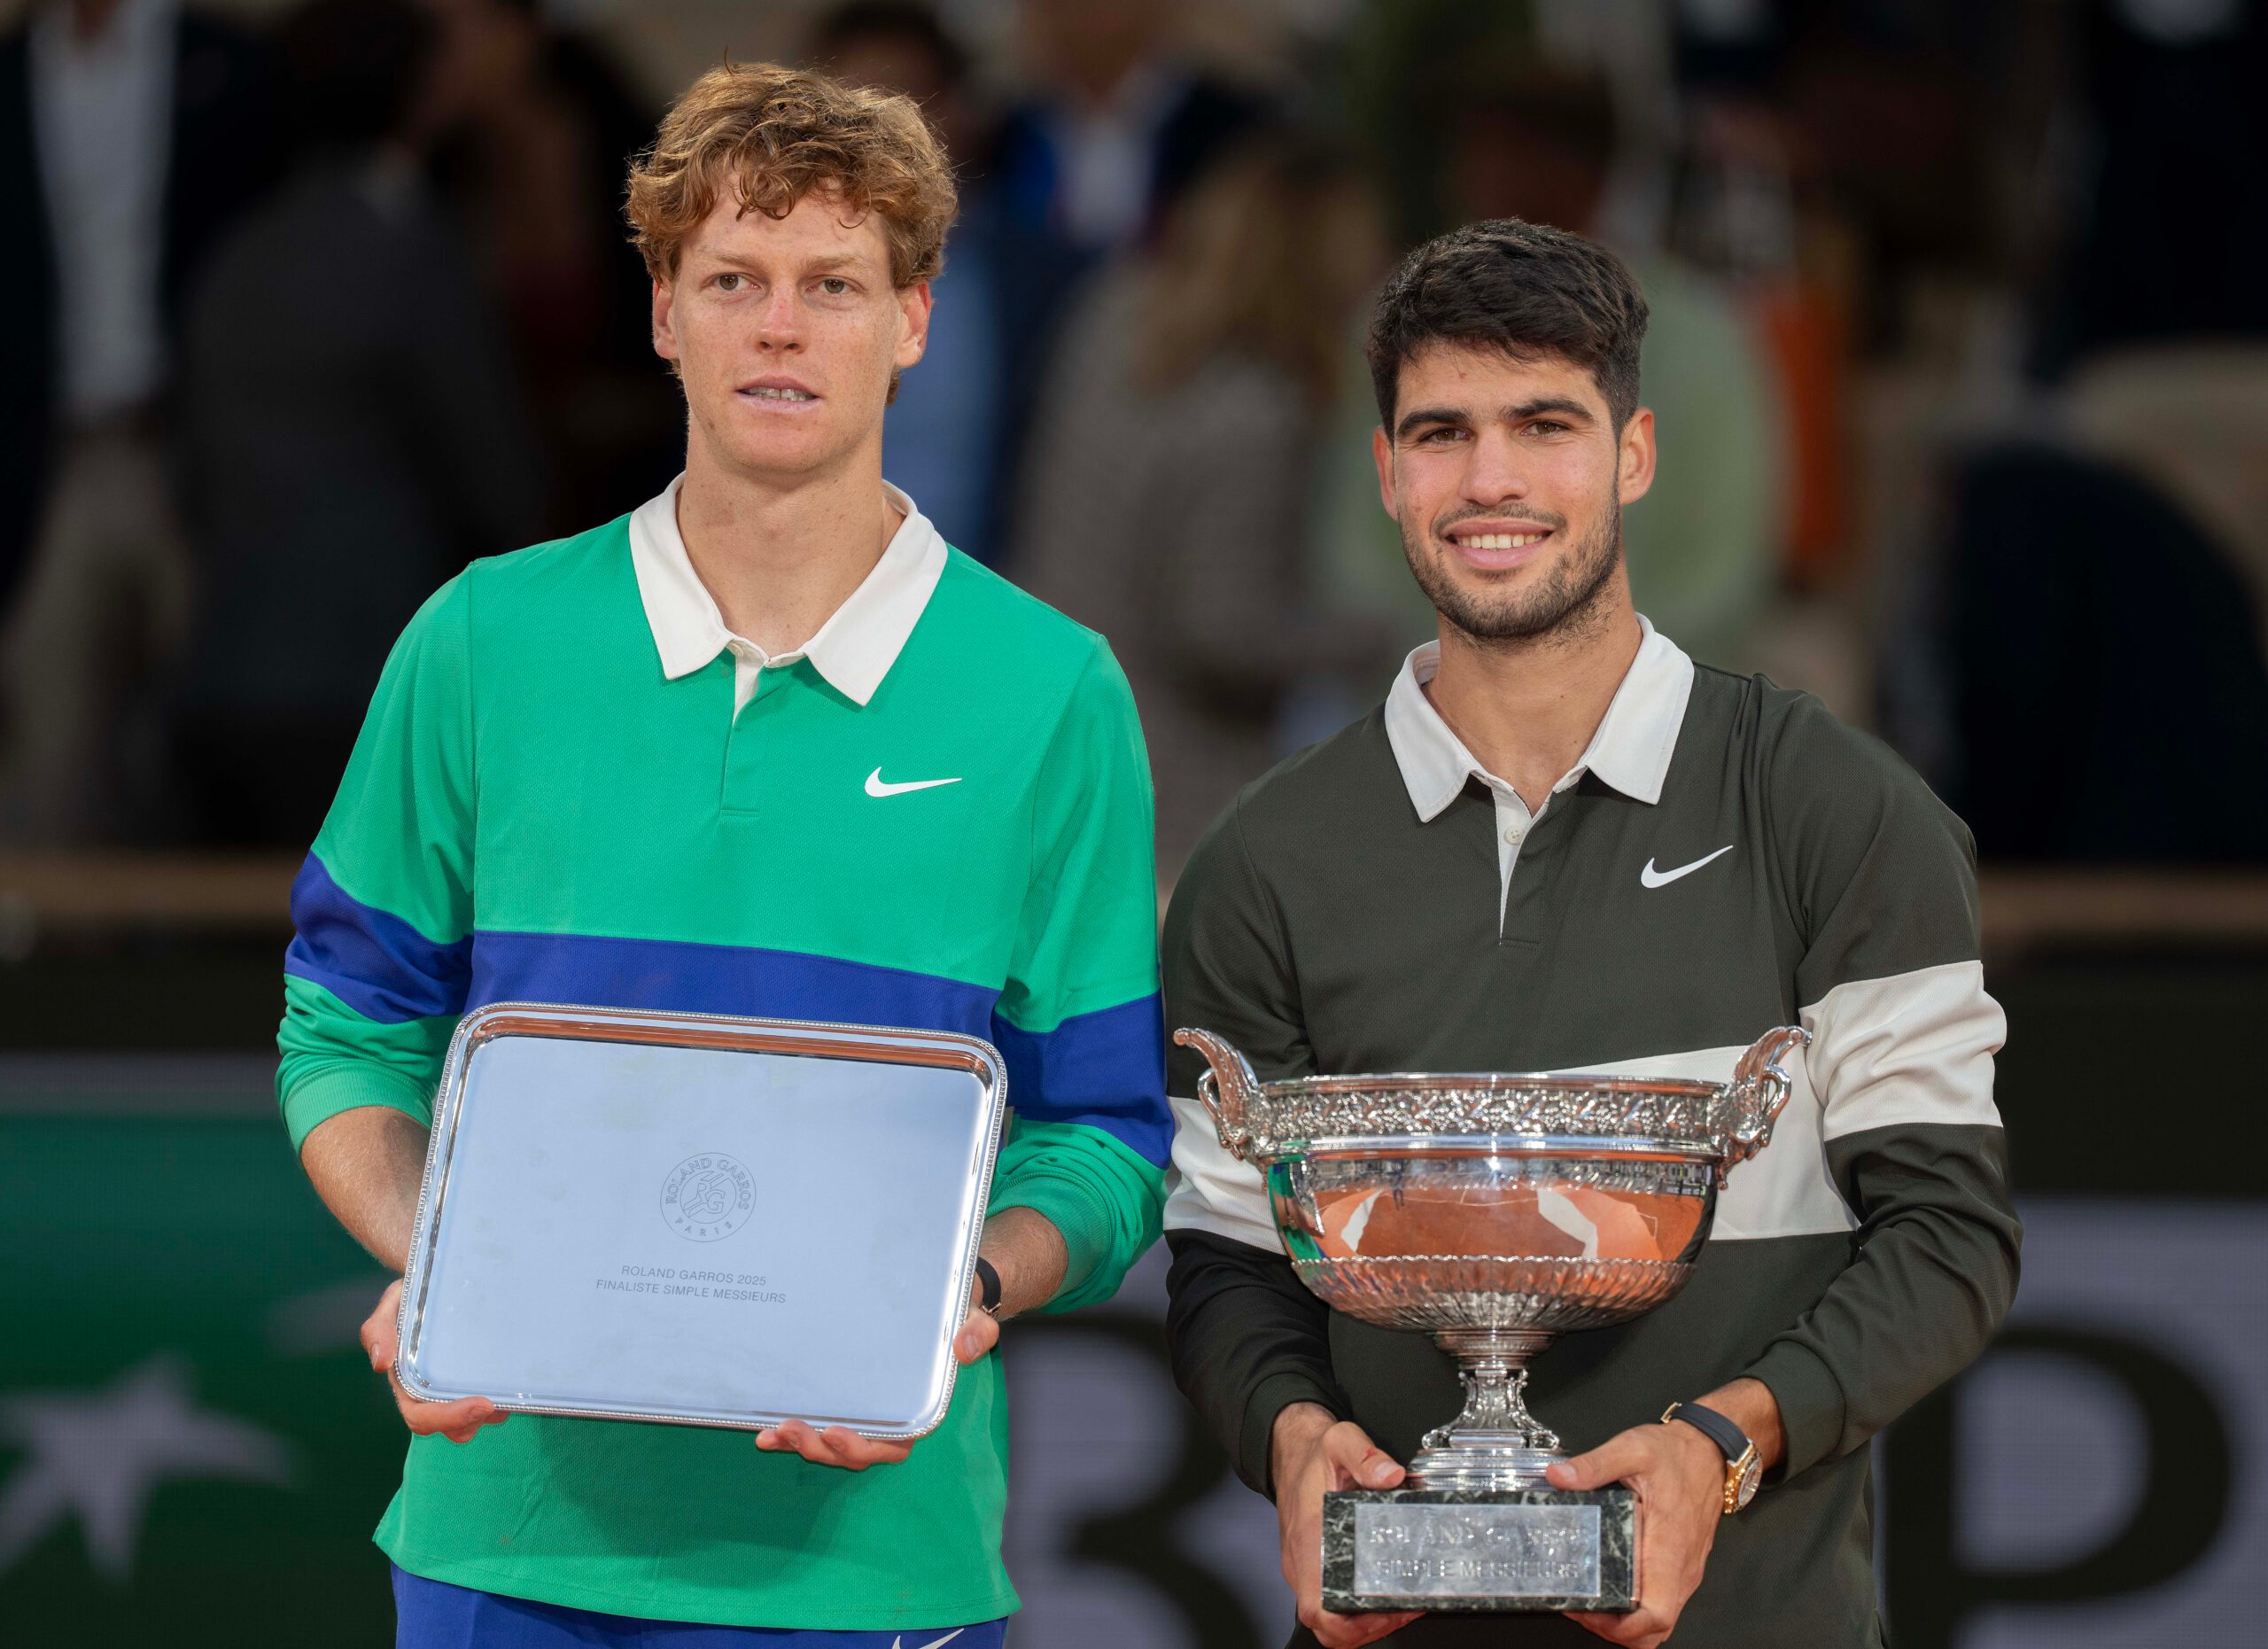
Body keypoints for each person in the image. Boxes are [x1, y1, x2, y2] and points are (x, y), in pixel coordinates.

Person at [277, 62, 1169, 1645]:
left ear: (913, 320)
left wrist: (954, 1301)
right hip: (505, 1540)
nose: (780, 326)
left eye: (834, 284)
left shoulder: (1051, 691)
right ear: (663, 312)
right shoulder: (486, 639)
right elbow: (348, 1023)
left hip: (866, 1559)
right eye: (734, 280)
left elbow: (1100, 1131)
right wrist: (451, 1262)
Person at [1161, 219, 2019, 1648]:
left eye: (1544, 424)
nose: (1490, 479)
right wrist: (1293, 1437)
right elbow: (1229, 1268)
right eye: (1441, 433)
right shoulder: (1261, 866)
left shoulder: (1838, 810)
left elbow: (1949, 1234)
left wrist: (1721, 1448)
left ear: (1634, 454)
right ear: (1383, 473)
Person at [171, 0, 544, 846]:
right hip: (370, 674)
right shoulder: (408, 249)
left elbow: (194, 463)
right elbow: (496, 474)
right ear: (422, 95)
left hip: (225, 656)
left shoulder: (239, 252)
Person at [1014, 135, 1395, 874]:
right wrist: (1377, 640)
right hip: (1168, 789)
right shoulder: (1256, 412)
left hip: (1049, 737)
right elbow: (1221, 629)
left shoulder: (1111, 312)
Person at [0, 0, 276, 840]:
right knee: (54, 756)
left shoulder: (224, 64)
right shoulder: (15, 72)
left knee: (218, 747)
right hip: (53, 462)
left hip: (199, 452)